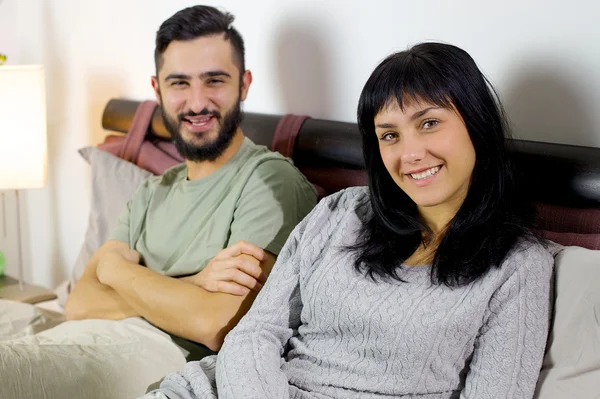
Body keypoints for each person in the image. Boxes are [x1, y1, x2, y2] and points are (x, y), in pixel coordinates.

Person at [147, 42, 554, 399]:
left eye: (429, 123)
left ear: (476, 125)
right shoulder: (341, 213)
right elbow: (255, 333)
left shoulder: (518, 266)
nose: (410, 153)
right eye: (389, 135)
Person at [0, 5, 317, 399]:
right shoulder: (153, 191)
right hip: (79, 337)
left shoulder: (269, 181)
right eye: (179, 83)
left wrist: (116, 271)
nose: (197, 102)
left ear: (244, 84)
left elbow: (215, 322)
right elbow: (79, 303)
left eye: (214, 80)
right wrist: (191, 284)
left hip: (157, 357)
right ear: (158, 90)